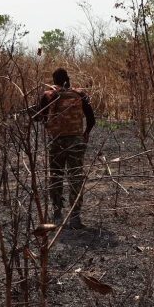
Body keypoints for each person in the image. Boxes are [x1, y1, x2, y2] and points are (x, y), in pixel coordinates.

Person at [37, 68, 95, 229]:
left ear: (54, 80)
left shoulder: (48, 95)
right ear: (68, 79)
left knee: (56, 176)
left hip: (56, 142)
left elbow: (37, 116)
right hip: (76, 142)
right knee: (76, 177)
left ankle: (57, 213)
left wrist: (48, 123)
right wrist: (85, 134)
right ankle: (75, 216)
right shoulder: (80, 94)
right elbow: (91, 119)